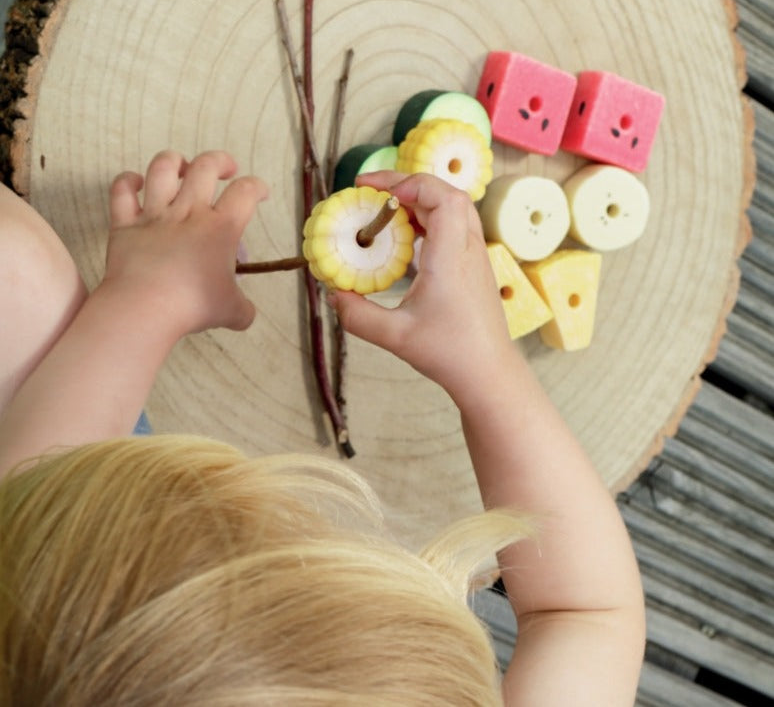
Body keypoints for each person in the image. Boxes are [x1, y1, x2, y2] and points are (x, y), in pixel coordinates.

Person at [0, 150, 645, 705]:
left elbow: (30, 509)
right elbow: (587, 611)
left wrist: (145, 299)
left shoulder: (32, 583)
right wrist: (485, 366)